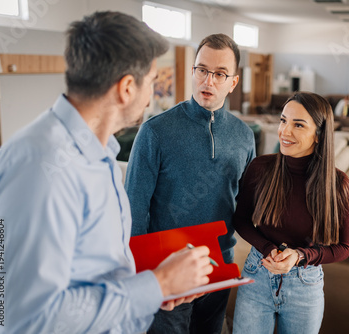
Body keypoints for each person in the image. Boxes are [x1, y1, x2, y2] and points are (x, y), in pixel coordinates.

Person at [0, 11, 213, 334]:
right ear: (126, 89)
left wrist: (151, 289)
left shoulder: (100, 154)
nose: (151, 95)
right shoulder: (43, 168)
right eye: (150, 82)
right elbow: (27, 318)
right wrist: (157, 284)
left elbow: (92, 272)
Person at [125, 33, 256, 334]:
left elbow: (246, 207)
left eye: (220, 74)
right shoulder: (155, 132)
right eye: (201, 70)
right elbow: (133, 208)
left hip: (218, 268)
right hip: (167, 270)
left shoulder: (243, 136)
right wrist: (144, 277)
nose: (208, 81)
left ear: (233, 82)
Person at [232, 92, 349, 334]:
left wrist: (299, 255)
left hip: (305, 285)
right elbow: (241, 220)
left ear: (319, 135)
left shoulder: (338, 184)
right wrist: (268, 249)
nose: (285, 132)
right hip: (257, 274)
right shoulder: (260, 168)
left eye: (298, 124)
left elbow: (343, 247)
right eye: (283, 120)